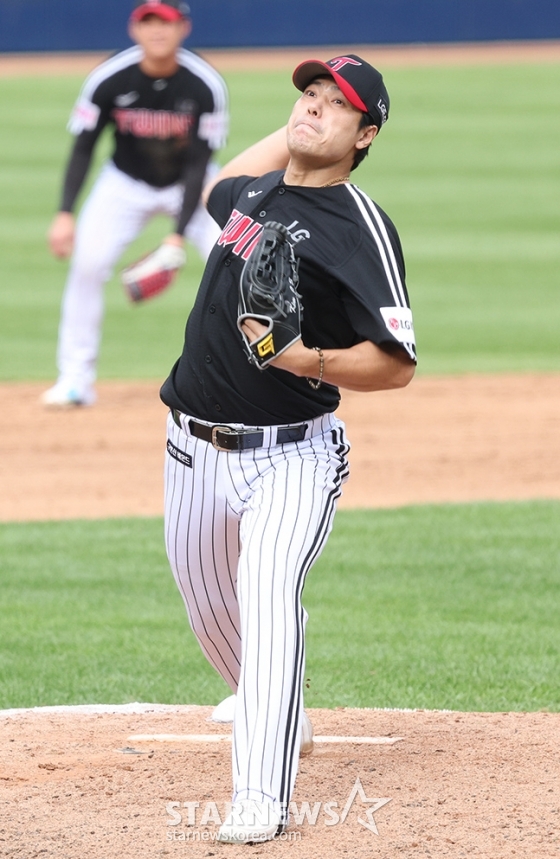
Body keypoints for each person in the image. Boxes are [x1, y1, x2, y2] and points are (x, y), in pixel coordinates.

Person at [161, 54, 416, 843]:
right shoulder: (255, 193)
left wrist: (311, 360)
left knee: (270, 600)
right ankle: (280, 703)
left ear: (366, 134)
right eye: (306, 96)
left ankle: (261, 794)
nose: (310, 108)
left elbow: (397, 365)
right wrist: (300, 131)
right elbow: (219, 183)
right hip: (189, 451)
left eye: (333, 105)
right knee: (212, 612)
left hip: (292, 456)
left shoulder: (361, 225)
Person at [43, 0, 228, 407]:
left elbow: (200, 161)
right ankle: (74, 378)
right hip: (124, 184)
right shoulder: (110, 77)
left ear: (184, 28)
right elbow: (83, 148)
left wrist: (176, 237)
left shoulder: (204, 83)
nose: (157, 30)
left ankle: (255, 377)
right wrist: (63, 214)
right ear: (134, 29)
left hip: (193, 185)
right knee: (88, 265)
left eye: (166, 22)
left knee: (237, 262)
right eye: (149, 22)